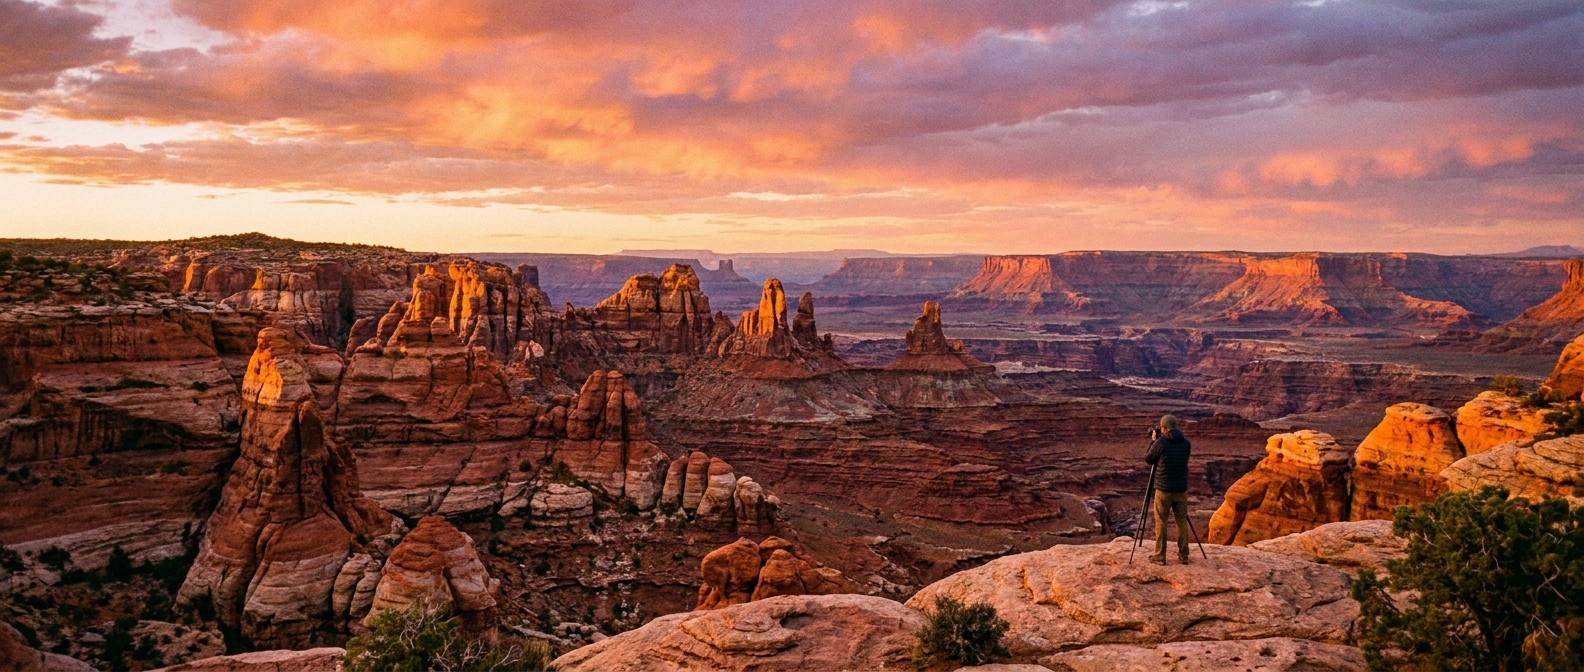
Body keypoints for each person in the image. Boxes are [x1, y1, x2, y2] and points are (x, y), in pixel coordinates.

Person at [1145, 414, 1192, 565]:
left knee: (1161, 522)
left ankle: (1160, 556)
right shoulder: (1186, 444)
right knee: (1181, 522)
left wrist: (1153, 441)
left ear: (1164, 428)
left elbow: (1149, 459)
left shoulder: (1161, 443)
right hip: (1181, 489)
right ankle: (1184, 555)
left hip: (1164, 489)